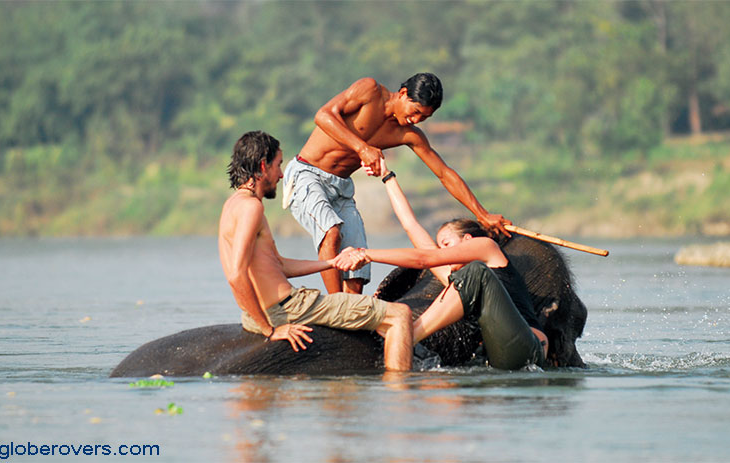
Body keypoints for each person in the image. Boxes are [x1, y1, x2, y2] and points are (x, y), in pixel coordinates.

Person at [283, 73, 511, 295]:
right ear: (403, 93)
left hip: (341, 187)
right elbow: (323, 116)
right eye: (415, 112)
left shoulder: (408, 134)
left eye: (424, 118)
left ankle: (350, 310)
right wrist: (362, 148)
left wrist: (481, 214)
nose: (416, 120)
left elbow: (444, 173)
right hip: (307, 173)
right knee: (331, 232)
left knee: (359, 262)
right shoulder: (369, 90)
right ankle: (335, 306)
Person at [218, 131, 412, 371]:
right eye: (278, 166)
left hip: (256, 315)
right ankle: (401, 399)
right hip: (287, 309)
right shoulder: (251, 208)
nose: (280, 175)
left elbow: (278, 266)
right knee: (400, 315)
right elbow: (236, 274)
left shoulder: (233, 205)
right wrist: (270, 332)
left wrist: (332, 263)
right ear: (262, 166)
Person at [335, 159, 547, 370]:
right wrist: (387, 176)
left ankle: (409, 334)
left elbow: (424, 259)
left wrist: (366, 254)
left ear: (467, 240)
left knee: (476, 272)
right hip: (498, 356)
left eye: (446, 244)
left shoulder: (487, 248)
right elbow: (411, 225)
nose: (443, 251)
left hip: (528, 349)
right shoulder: (457, 280)